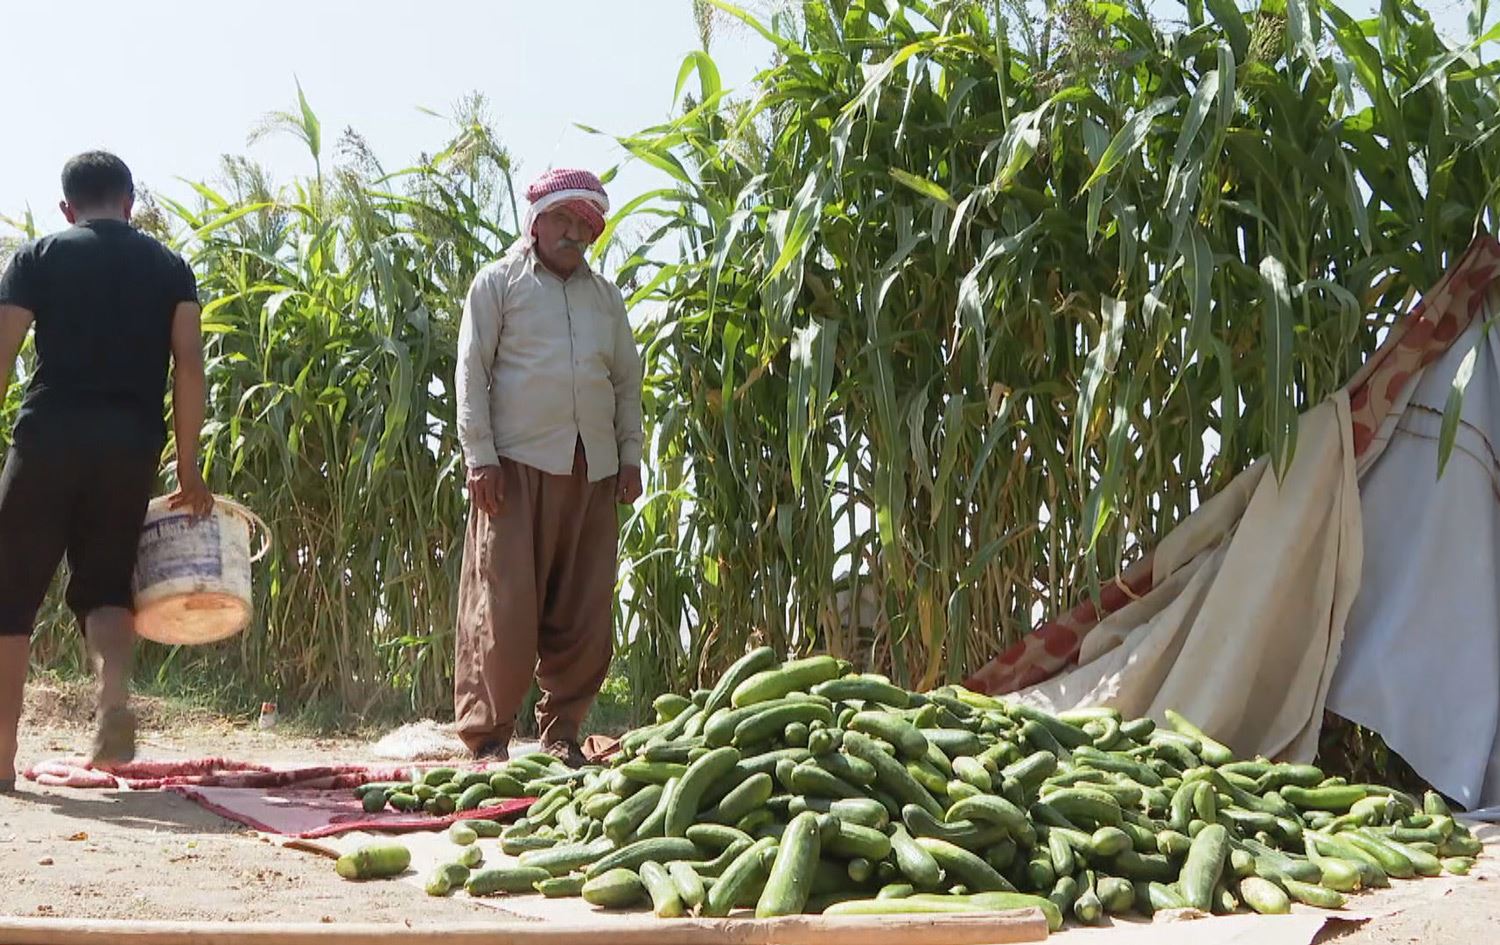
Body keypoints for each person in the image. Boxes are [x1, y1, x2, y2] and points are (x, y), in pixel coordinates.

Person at [0, 152, 214, 793]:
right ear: (128, 201)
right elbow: (191, 366)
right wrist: (190, 467)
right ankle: (113, 697)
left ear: (68, 208)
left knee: (9, 595)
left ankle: (1, 756)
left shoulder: (38, 257)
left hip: (47, 438)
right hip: (130, 445)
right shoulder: (169, 267)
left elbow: (3, 352)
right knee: (106, 587)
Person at [454, 168, 644, 767]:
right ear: (536, 222)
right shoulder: (499, 284)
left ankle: (562, 733)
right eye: (561, 219)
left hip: (592, 469)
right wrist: (480, 455)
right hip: (514, 467)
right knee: (504, 608)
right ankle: (488, 739)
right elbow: (471, 373)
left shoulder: (605, 298)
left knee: (583, 609)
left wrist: (630, 454)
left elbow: (625, 381)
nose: (571, 232)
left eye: (582, 223)